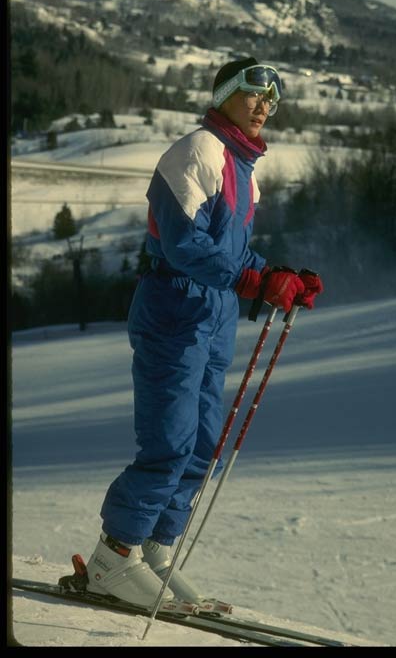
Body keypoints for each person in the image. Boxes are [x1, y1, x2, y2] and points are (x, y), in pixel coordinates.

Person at [85, 57, 323, 609]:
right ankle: (113, 557)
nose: (265, 107)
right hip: (174, 304)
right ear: (224, 96)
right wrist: (254, 280)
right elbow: (183, 245)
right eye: (255, 95)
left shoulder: (242, 168)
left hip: (213, 314)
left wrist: (279, 276)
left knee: (201, 442)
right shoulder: (195, 152)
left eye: (273, 101)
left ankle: (155, 548)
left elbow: (234, 252)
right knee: (168, 440)